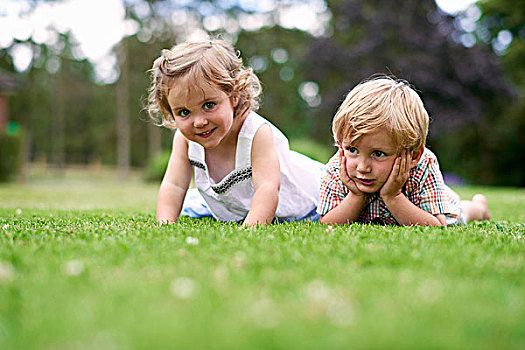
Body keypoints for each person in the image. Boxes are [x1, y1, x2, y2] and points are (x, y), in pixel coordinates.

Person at [147, 39, 323, 226]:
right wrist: (164, 224)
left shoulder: (256, 133)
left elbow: (267, 188)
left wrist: (251, 228)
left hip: (300, 205)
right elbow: (174, 185)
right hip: (235, 205)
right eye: (184, 112)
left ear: (234, 95)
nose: (199, 122)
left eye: (209, 105)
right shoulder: (185, 139)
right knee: (192, 204)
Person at [318, 76, 490, 226]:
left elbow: (438, 226)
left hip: (438, 206)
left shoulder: (423, 166)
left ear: (413, 155)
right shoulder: (337, 168)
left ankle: (479, 207)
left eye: (378, 154)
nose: (362, 167)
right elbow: (327, 223)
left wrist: (393, 196)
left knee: (462, 213)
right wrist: (356, 196)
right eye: (352, 149)